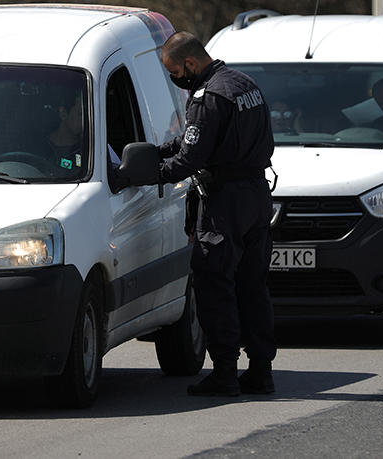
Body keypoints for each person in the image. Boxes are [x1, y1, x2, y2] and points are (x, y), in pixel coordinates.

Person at [156, 31, 277, 396]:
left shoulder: (208, 97)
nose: (175, 78)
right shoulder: (244, 84)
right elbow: (196, 139)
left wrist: (147, 173)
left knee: (214, 283)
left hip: (225, 202)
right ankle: (261, 369)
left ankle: (225, 371)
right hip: (256, 195)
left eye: (175, 71)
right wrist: (157, 150)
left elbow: (189, 158)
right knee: (253, 286)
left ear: (190, 64)